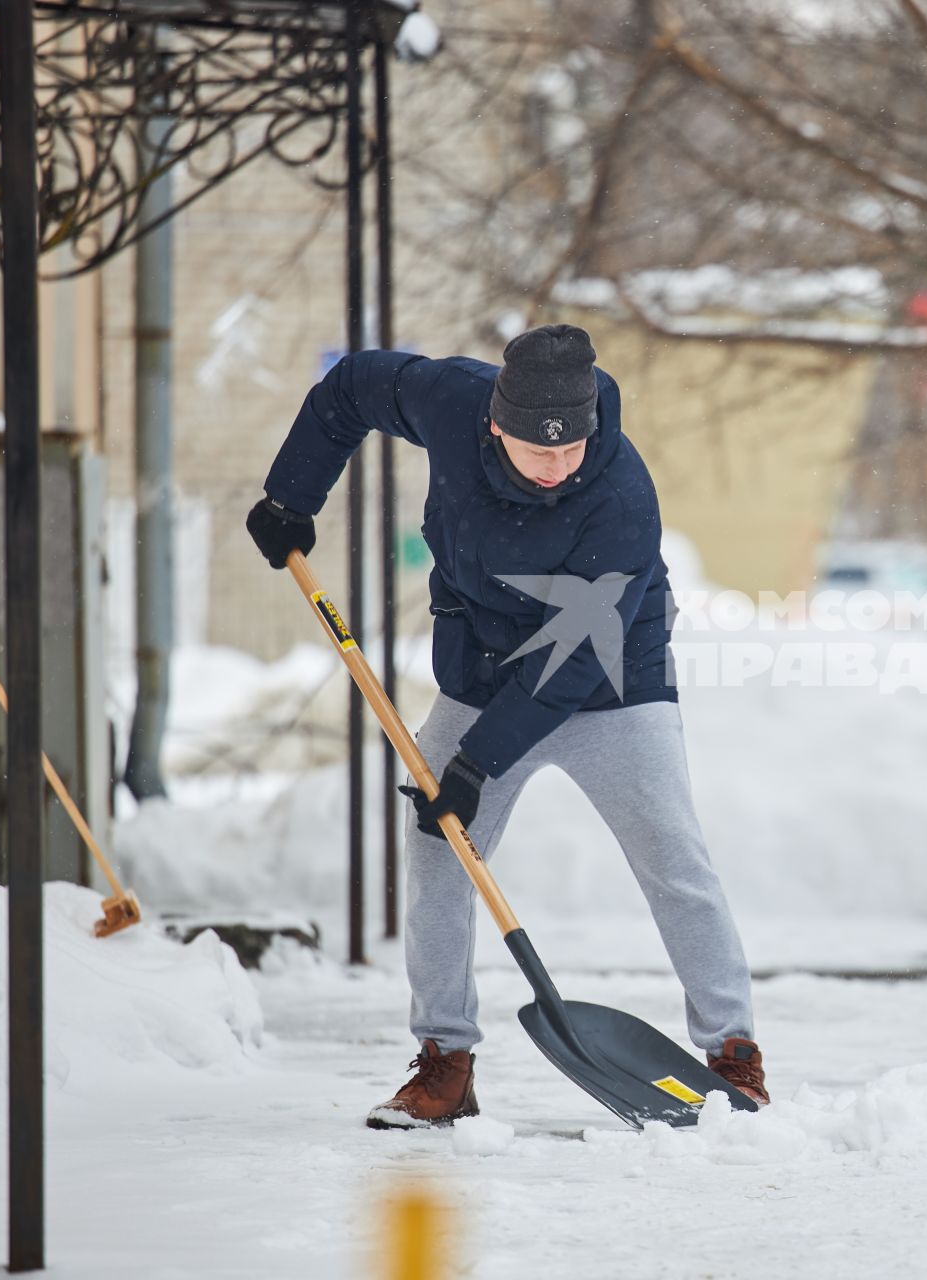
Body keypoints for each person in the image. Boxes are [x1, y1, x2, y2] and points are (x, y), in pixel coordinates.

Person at [244, 324, 767, 1126]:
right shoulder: (448, 400)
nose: (559, 469)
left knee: (671, 851)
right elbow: (348, 389)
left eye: (572, 450)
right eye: (538, 452)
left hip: (610, 680)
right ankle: (445, 1061)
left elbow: (573, 664)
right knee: (436, 853)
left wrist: (476, 763)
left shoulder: (621, 494)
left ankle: (734, 1053)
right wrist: (291, 497)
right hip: (483, 670)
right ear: (495, 422)